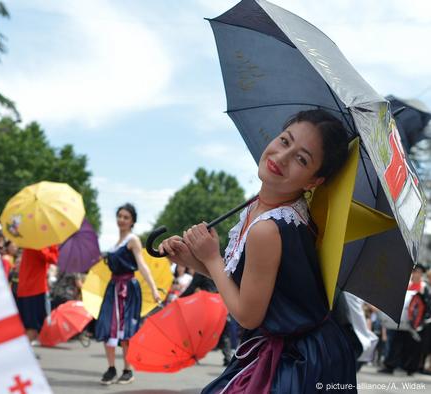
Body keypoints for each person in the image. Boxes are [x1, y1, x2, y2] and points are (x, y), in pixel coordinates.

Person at [160, 109, 356, 393]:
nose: (282, 157)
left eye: (302, 159)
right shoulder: (257, 206)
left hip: (297, 360)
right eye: (285, 141)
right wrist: (194, 259)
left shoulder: (268, 228)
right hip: (296, 347)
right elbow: (245, 282)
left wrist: (212, 257)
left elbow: (248, 314)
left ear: (314, 181)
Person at [96, 203, 162, 385]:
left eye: (126, 217)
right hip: (113, 287)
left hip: (128, 289)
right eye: (119, 216)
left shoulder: (132, 240)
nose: (121, 220)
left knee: (125, 329)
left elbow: (142, 265)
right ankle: (111, 368)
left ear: (132, 221)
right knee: (106, 325)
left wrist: (154, 289)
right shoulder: (114, 245)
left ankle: (127, 369)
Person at [15, 245, 59, 344]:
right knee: (32, 327)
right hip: (34, 290)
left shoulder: (31, 243)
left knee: (28, 326)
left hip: (26, 289)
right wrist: (53, 246)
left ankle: (24, 351)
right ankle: (24, 352)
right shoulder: (40, 245)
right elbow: (53, 258)